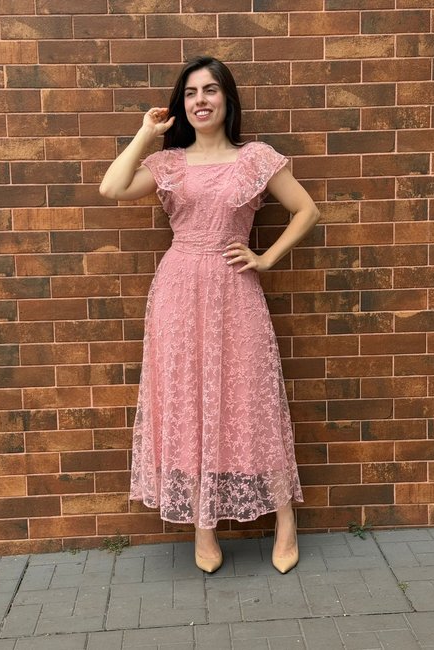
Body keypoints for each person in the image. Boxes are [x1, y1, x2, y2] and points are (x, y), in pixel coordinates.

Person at [100, 56, 320, 574]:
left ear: (227, 99)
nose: (201, 100)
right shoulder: (169, 164)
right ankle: (204, 526)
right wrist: (145, 133)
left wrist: (266, 258)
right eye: (191, 92)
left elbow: (307, 210)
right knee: (188, 400)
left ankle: (285, 518)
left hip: (234, 290)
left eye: (210, 90)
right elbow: (111, 187)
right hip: (177, 293)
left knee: (252, 398)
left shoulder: (255, 158)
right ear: (182, 104)